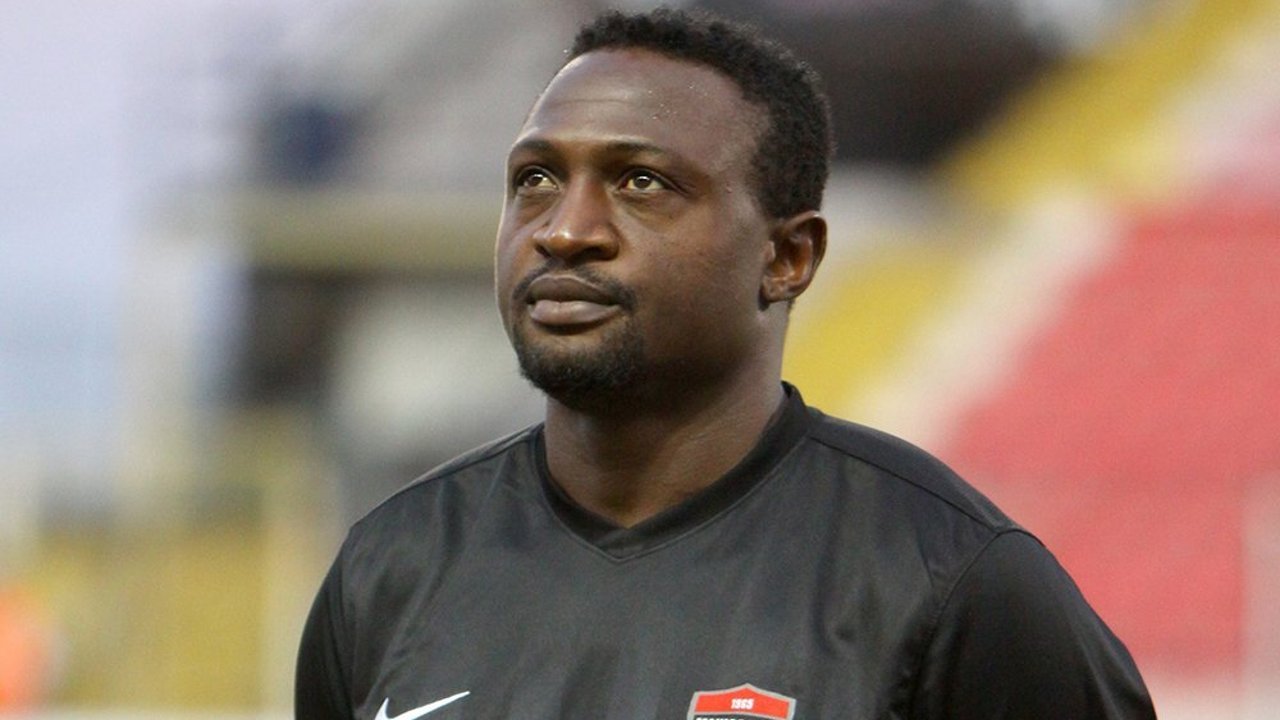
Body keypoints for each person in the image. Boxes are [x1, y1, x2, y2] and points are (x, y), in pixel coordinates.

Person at [295, 8, 1156, 719]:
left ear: (787, 258)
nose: (565, 230)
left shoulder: (951, 582)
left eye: (641, 182)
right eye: (536, 180)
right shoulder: (390, 569)